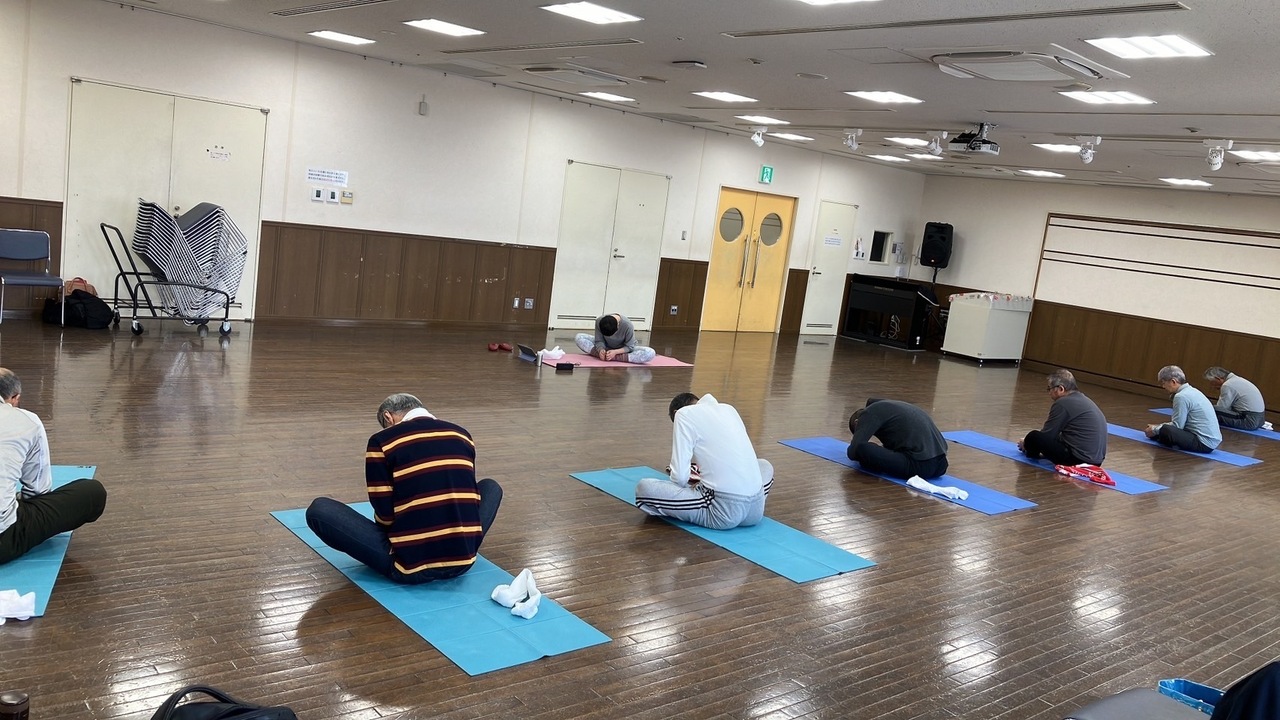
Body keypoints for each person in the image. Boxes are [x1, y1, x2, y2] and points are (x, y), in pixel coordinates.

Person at [306, 393, 502, 584]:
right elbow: (466, 492)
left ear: (388, 417)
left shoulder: (381, 441)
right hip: (464, 560)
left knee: (319, 510)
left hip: (410, 567)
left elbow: (385, 515)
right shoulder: (462, 434)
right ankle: (460, 542)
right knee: (491, 487)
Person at [0, 369, 107, 566]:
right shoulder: (27, 420)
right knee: (92, 492)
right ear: (14, 397)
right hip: (3, 540)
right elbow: (37, 491)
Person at [634, 393, 773, 530]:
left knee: (644, 487)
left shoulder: (683, 415)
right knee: (764, 465)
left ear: (676, 413)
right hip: (755, 509)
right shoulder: (729, 409)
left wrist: (688, 489)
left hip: (722, 510)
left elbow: (680, 478)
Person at [1017, 369, 1107, 466]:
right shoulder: (1082, 399)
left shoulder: (1063, 403)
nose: (1049, 393)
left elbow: (1048, 434)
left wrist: (1026, 443)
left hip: (1078, 459)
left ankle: (1031, 455)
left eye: (1049, 388)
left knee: (1033, 436)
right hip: (1096, 461)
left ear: (1060, 389)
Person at [847, 399, 948, 480]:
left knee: (862, 449)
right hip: (942, 464)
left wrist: (856, 442)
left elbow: (853, 451)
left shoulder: (868, 414)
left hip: (920, 465)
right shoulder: (890, 406)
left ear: (857, 422)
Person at [1145, 365, 1221, 453]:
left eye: (1163, 383)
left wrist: (1154, 429)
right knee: (1162, 429)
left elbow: (1177, 426)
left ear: (1173, 381)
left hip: (1204, 443)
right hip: (1210, 441)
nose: (1163, 386)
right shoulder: (1192, 390)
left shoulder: (1181, 396)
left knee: (1165, 430)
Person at [575, 313, 656, 364]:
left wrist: (615, 352)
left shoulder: (628, 325)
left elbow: (630, 346)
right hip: (606, 346)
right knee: (579, 337)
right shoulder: (599, 321)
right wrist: (600, 350)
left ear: (618, 325)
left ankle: (613, 357)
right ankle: (604, 355)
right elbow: (599, 340)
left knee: (650, 352)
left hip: (623, 350)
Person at [1204, 366, 1267, 430]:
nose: (1212, 386)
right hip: (1260, 420)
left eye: (1212, 383)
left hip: (1248, 421)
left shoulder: (1228, 385)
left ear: (1218, 379)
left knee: (1213, 410)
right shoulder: (1238, 380)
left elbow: (1222, 408)